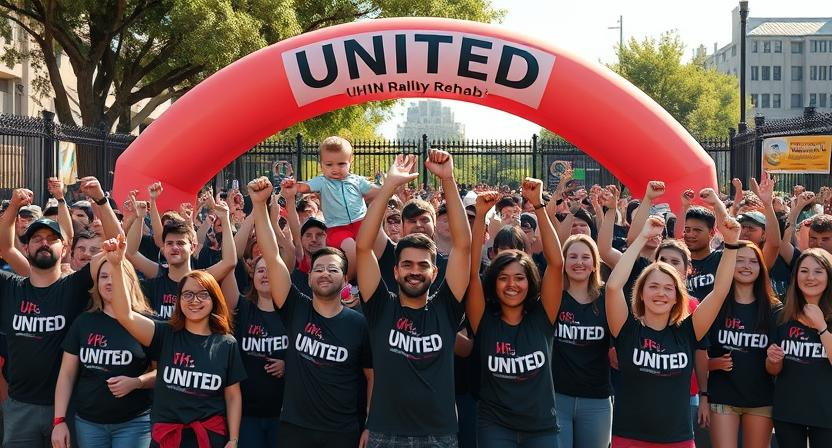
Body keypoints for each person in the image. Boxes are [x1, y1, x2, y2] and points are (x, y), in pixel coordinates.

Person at [606, 188, 739, 447]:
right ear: (641, 293)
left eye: (668, 288)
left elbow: (720, 291)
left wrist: (732, 244)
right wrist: (642, 237)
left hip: (677, 440)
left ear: (678, 295)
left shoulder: (688, 330)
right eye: (653, 286)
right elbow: (612, 287)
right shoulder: (626, 328)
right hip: (628, 438)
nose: (661, 293)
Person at [355, 151, 471, 447]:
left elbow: (463, 245)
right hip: (385, 434)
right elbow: (364, 247)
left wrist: (448, 179)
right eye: (407, 265)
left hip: (439, 435)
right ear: (395, 271)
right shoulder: (381, 307)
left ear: (435, 272)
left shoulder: (445, 308)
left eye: (422, 266)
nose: (414, 272)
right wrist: (389, 186)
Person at [248, 177, 372, 448]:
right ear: (309, 276)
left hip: (343, 431)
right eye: (318, 268)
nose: (324, 273)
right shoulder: (295, 308)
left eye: (332, 269)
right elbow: (272, 256)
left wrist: (369, 423)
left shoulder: (359, 324)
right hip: (296, 429)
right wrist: (259, 206)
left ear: (345, 277)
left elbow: (371, 377)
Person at [0, 178, 121, 448]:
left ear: (65, 248)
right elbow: (3, 247)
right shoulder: (10, 287)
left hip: (67, 408)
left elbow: (116, 244)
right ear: (26, 248)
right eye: (37, 239)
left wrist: (101, 200)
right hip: (20, 407)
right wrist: (13, 208)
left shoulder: (75, 286)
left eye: (52, 239)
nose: (44, 243)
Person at [106, 236, 246, 448]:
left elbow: (233, 395)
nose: (195, 300)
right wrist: (116, 266)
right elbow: (125, 315)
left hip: (209, 439)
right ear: (179, 301)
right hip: (166, 438)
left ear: (214, 299)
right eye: (187, 294)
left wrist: (233, 439)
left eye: (202, 294)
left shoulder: (227, 344)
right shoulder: (165, 334)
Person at [466, 179, 564, 447]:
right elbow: (472, 273)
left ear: (530, 280)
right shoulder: (483, 320)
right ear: (494, 281)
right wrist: (481, 217)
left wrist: (539, 205)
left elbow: (557, 265)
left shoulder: (543, 316)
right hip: (495, 427)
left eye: (519, 278)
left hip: (542, 428)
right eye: (503, 278)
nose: (511, 285)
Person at [51, 256, 156, 448]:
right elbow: (66, 374)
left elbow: (163, 372)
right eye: (103, 277)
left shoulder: (146, 324)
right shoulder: (84, 322)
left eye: (115, 275)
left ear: (130, 281)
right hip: (88, 424)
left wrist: (137, 383)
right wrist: (59, 421)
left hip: (134, 423)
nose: (109, 282)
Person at [705, 243, 781, 448]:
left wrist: (774, 361)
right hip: (722, 396)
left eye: (753, 261)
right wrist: (712, 364)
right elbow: (697, 352)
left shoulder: (774, 310)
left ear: (762, 268)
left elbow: (774, 368)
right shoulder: (714, 304)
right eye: (739, 260)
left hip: (761, 399)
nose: (746, 266)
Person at [126, 187, 237, 319]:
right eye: (169, 243)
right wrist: (140, 218)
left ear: (193, 247)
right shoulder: (158, 273)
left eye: (180, 243)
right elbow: (131, 254)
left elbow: (230, 262)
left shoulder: (203, 278)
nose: (174, 247)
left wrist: (225, 219)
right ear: (163, 249)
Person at [280, 136, 379, 280]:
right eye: (329, 165)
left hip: (360, 223)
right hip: (337, 228)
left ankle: (367, 279)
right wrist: (292, 186)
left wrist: (393, 186)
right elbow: (304, 186)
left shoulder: (357, 181)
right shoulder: (322, 181)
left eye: (341, 164)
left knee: (369, 250)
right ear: (321, 165)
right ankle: (346, 283)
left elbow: (378, 192)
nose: (335, 169)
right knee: (351, 248)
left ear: (350, 162)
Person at [767, 249, 832, 447]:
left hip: (827, 415)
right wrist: (773, 360)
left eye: (818, 271)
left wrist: (821, 327)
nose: (810, 277)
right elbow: (773, 370)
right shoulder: (780, 315)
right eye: (804, 271)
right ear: (795, 277)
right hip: (789, 412)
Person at [554, 233, 612, 448]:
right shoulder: (553, 297)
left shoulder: (608, 297)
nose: (579, 262)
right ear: (564, 261)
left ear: (595, 264)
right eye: (573, 256)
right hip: (557, 397)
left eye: (585, 257)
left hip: (596, 400)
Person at [233, 254, 289, 447]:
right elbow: (230, 261)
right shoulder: (241, 307)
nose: (265, 275)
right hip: (247, 415)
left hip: (284, 416)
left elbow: (306, 354)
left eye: (270, 270)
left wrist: (287, 365)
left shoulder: (293, 311)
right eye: (260, 270)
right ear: (252, 275)